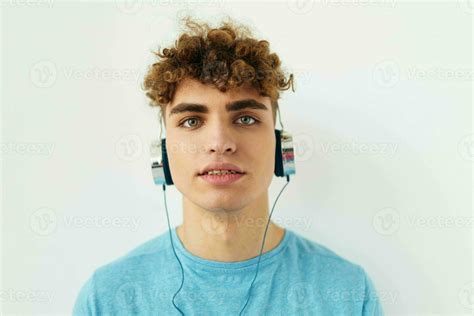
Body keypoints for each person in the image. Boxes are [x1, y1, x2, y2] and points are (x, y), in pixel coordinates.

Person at [72, 16, 384, 315]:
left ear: (282, 147)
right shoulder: (108, 298)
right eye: (192, 121)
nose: (220, 142)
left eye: (245, 118)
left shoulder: (347, 291)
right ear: (162, 154)